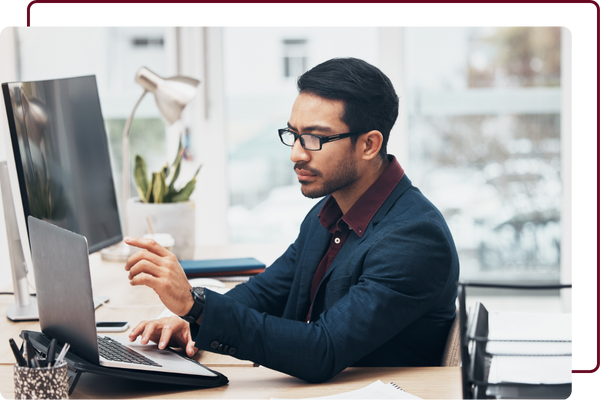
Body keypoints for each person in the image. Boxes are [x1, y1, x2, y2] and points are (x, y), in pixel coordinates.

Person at [125, 57, 459, 383]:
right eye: (294, 134)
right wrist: (189, 317)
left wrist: (197, 306)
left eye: (315, 138)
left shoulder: (414, 239)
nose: (296, 154)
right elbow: (265, 292)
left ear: (369, 145)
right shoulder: (328, 212)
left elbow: (322, 349)